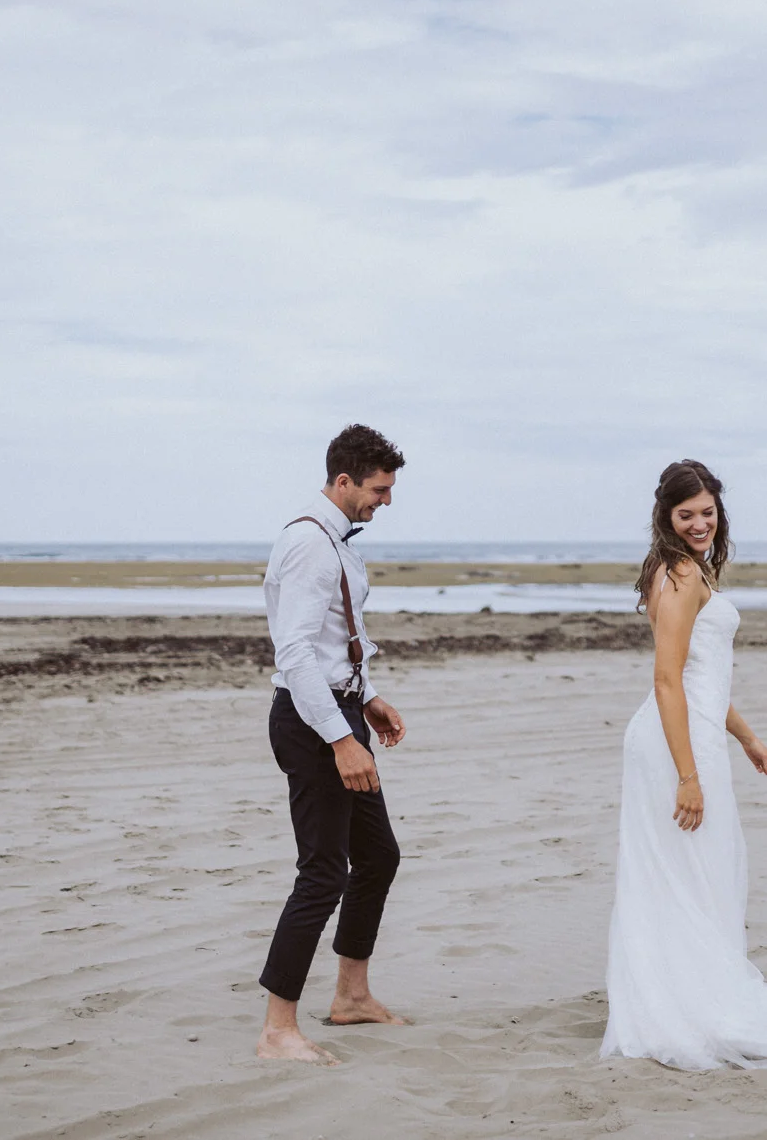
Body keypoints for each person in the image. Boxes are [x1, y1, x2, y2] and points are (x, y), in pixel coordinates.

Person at [600, 459, 767, 1070]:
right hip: (676, 744)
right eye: (687, 514)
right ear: (666, 517)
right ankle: (681, 1008)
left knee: (694, 874)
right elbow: (667, 680)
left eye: (708, 512)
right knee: (687, 873)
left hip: (693, 734)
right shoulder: (678, 573)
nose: (700, 523)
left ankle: (682, 994)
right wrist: (688, 775)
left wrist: (748, 739)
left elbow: (706, 679)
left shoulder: (687, 568)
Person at [254, 423, 411, 1065]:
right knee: (323, 872)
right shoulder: (310, 546)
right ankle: (276, 1030)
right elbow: (294, 654)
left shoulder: (339, 543)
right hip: (311, 721)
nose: (386, 500)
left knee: (377, 856)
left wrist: (367, 695)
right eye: (379, 489)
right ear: (343, 480)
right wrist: (343, 739)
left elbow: (338, 634)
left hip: (340, 709)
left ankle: (350, 997)